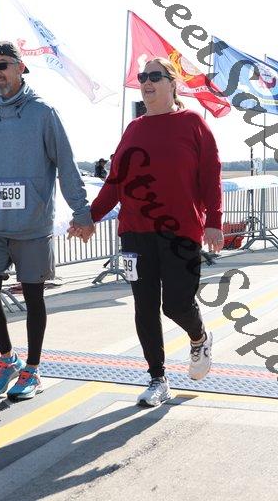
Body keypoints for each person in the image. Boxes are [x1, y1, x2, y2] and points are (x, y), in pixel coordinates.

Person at [69, 57, 224, 407]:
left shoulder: (192, 123)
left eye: (155, 76)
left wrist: (214, 220)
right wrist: (90, 217)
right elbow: (115, 182)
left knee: (177, 305)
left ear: (173, 84)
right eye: (142, 77)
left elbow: (210, 174)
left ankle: (199, 337)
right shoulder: (134, 129)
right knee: (145, 306)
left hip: (180, 232)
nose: (147, 82)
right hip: (135, 233)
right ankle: (157, 378)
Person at [0, 41, 94, 401]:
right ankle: (7, 359)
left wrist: (82, 213)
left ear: (21, 68)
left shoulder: (43, 113)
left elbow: (66, 165)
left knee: (34, 298)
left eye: (3, 65)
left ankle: (33, 370)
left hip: (33, 226)